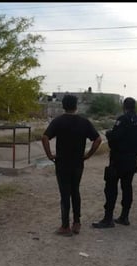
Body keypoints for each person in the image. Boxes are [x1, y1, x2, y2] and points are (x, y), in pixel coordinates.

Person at [42, 94, 102, 236]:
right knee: (75, 191)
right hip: (77, 163)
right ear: (76, 106)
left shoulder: (58, 121)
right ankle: (76, 223)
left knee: (65, 194)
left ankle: (65, 226)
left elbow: (44, 137)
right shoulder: (84, 122)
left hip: (62, 163)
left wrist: (50, 155)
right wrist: (88, 155)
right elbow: (98, 139)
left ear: (63, 106)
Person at [92, 97, 137, 228]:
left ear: (124, 107)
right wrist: (135, 156)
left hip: (118, 160)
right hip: (131, 160)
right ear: (134, 107)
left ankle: (108, 219)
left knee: (111, 188)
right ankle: (124, 216)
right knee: (127, 187)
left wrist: (109, 134)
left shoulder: (122, 120)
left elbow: (115, 138)